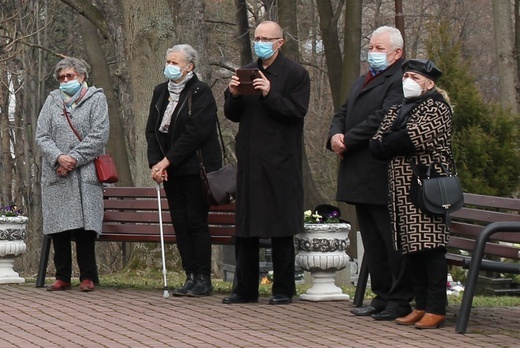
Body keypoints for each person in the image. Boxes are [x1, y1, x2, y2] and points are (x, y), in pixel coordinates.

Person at [327, 26, 414, 320]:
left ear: (397, 53)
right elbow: (343, 110)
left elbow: (384, 118)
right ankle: (382, 294)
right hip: (357, 170)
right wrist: (335, 135)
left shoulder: (399, 80)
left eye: (379, 48)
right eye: (371, 46)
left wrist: (348, 139)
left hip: (381, 171)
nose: (372, 52)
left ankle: (400, 298)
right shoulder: (363, 79)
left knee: (390, 238)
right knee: (372, 240)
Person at [222, 21, 310, 305]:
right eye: (257, 37)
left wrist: (270, 92)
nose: (260, 42)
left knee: (280, 225)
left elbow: (296, 112)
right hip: (250, 159)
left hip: (281, 160)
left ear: (280, 42)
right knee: (246, 226)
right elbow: (232, 115)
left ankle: (283, 289)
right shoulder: (247, 70)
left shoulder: (296, 74)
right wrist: (233, 95)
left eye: (266, 38)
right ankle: (244, 289)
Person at [370, 59, 452, 329]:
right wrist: (392, 139)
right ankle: (421, 305)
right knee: (412, 249)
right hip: (401, 190)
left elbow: (411, 139)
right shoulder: (398, 108)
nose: (408, 81)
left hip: (427, 186)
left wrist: (392, 139)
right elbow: (376, 146)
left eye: (415, 77)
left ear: (429, 83)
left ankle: (437, 307)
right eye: (406, 76)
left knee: (431, 247)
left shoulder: (436, 106)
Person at [146, 44, 222, 297]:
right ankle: (189, 275)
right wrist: (156, 164)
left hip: (195, 168)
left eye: (175, 62)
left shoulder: (201, 92)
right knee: (179, 222)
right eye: (168, 61)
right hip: (170, 171)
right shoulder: (160, 92)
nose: (170, 66)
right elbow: (152, 131)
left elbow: (195, 133)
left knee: (196, 222)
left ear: (189, 66)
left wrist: (167, 160)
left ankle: (203, 277)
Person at [36, 57, 109, 292]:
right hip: (56, 172)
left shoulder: (96, 99)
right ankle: (62, 275)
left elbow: (99, 135)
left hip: (84, 172)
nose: (65, 81)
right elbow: (42, 135)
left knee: (84, 228)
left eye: (70, 76)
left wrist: (73, 159)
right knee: (59, 226)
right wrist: (59, 157)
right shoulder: (52, 100)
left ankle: (87, 276)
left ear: (82, 76)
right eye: (61, 78)